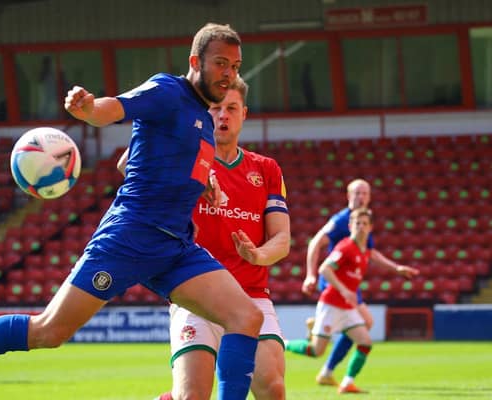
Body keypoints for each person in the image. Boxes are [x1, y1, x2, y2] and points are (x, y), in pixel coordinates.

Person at [0, 23, 263, 400]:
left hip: (175, 247)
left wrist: (206, 182)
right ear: (195, 61)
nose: (229, 73)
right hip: (130, 236)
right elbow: (112, 109)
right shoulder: (167, 91)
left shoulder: (203, 120)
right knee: (48, 332)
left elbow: (132, 162)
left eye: (235, 66)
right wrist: (89, 109)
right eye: (221, 63)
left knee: (246, 317)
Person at [125, 78, 289, 400]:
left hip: (251, 294)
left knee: (273, 388)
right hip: (197, 295)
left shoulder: (266, 169)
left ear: (245, 113)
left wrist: (257, 254)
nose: (222, 116)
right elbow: (130, 170)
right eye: (215, 108)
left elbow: (282, 238)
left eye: (231, 109)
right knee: (192, 396)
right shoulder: (185, 160)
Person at [300, 179, 419, 386]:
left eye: (364, 193)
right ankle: (326, 365)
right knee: (362, 325)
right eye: (356, 193)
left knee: (363, 325)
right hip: (334, 282)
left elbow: (371, 253)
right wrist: (310, 274)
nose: (360, 197)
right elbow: (316, 243)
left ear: (370, 197)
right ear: (348, 196)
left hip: (350, 284)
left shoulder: (363, 221)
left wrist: (396, 268)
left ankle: (325, 360)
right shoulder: (341, 220)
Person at [286, 208, 376, 394]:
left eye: (364, 224)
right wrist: (344, 290)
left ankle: (347, 383)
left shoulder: (365, 250)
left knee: (365, 342)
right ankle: (284, 343)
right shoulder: (345, 247)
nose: (360, 227)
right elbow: (325, 269)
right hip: (332, 304)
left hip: (347, 307)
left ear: (370, 228)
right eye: (356, 223)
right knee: (315, 351)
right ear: (350, 226)